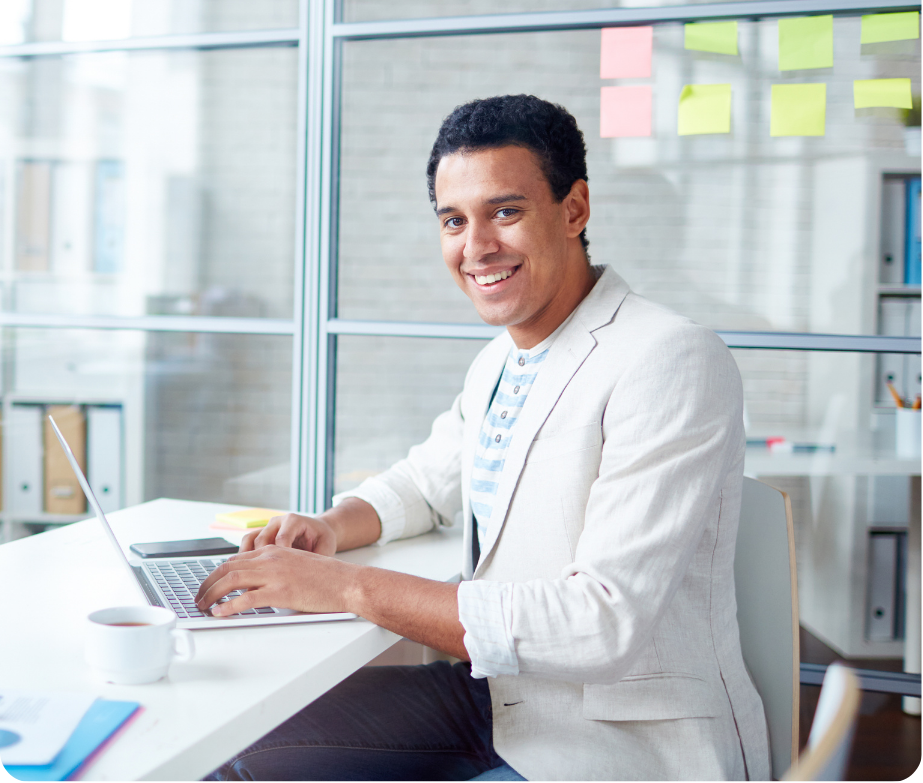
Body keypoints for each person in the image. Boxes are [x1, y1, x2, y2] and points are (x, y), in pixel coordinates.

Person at [198, 95, 770, 783]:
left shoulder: (668, 357)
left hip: (617, 742)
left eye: (505, 211)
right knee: (236, 759)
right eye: (452, 220)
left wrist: (345, 587)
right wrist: (326, 527)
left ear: (574, 210)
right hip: (502, 695)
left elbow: (601, 621)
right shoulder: (502, 358)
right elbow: (425, 482)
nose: (476, 247)